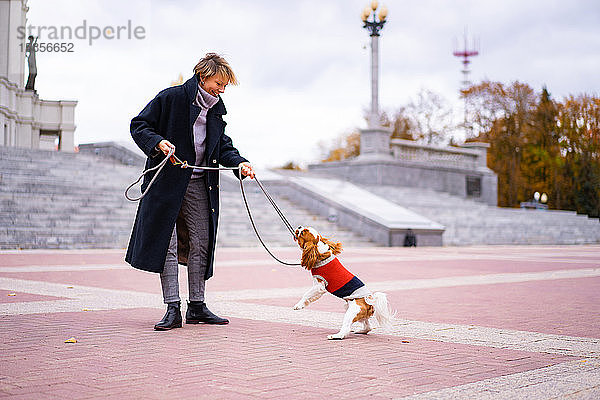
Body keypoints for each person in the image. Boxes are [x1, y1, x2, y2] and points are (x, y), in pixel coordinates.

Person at [126, 53, 255, 330]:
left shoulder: (216, 111)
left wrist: (240, 163)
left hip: (199, 184)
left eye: (224, 86)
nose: (221, 90)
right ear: (202, 76)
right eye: (218, 84)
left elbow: (223, 147)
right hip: (166, 184)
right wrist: (158, 142)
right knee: (168, 245)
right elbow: (139, 125)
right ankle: (172, 307)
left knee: (201, 241)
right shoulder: (171, 98)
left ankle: (197, 306)